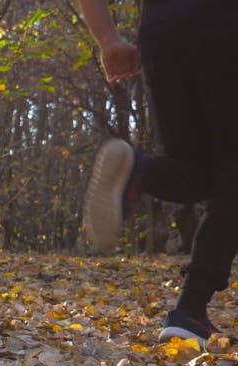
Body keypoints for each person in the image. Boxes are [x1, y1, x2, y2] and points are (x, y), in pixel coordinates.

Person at [79, 0, 237, 347]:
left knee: (197, 174)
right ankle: (190, 310)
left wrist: (108, 41)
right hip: (226, 25)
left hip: (163, 32)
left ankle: (138, 170)